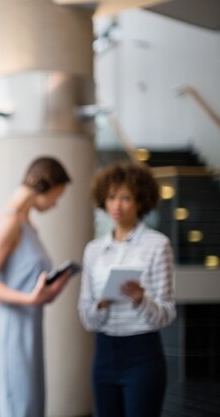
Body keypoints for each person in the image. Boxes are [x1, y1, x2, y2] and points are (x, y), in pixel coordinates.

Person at [0, 156, 74, 417]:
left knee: (28, 408)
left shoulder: (27, 224)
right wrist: (29, 299)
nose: (55, 203)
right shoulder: (8, 224)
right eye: (57, 195)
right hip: (8, 335)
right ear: (46, 185)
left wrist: (46, 293)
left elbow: (24, 281)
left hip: (27, 333)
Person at [78, 161, 176, 417]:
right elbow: (87, 318)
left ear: (141, 202)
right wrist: (101, 304)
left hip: (143, 355)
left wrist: (140, 299)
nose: (117, 206)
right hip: (104, 354)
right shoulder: (94, 250)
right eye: (111, 197)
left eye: (126, 198)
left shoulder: (158, 245)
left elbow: (166, 313)